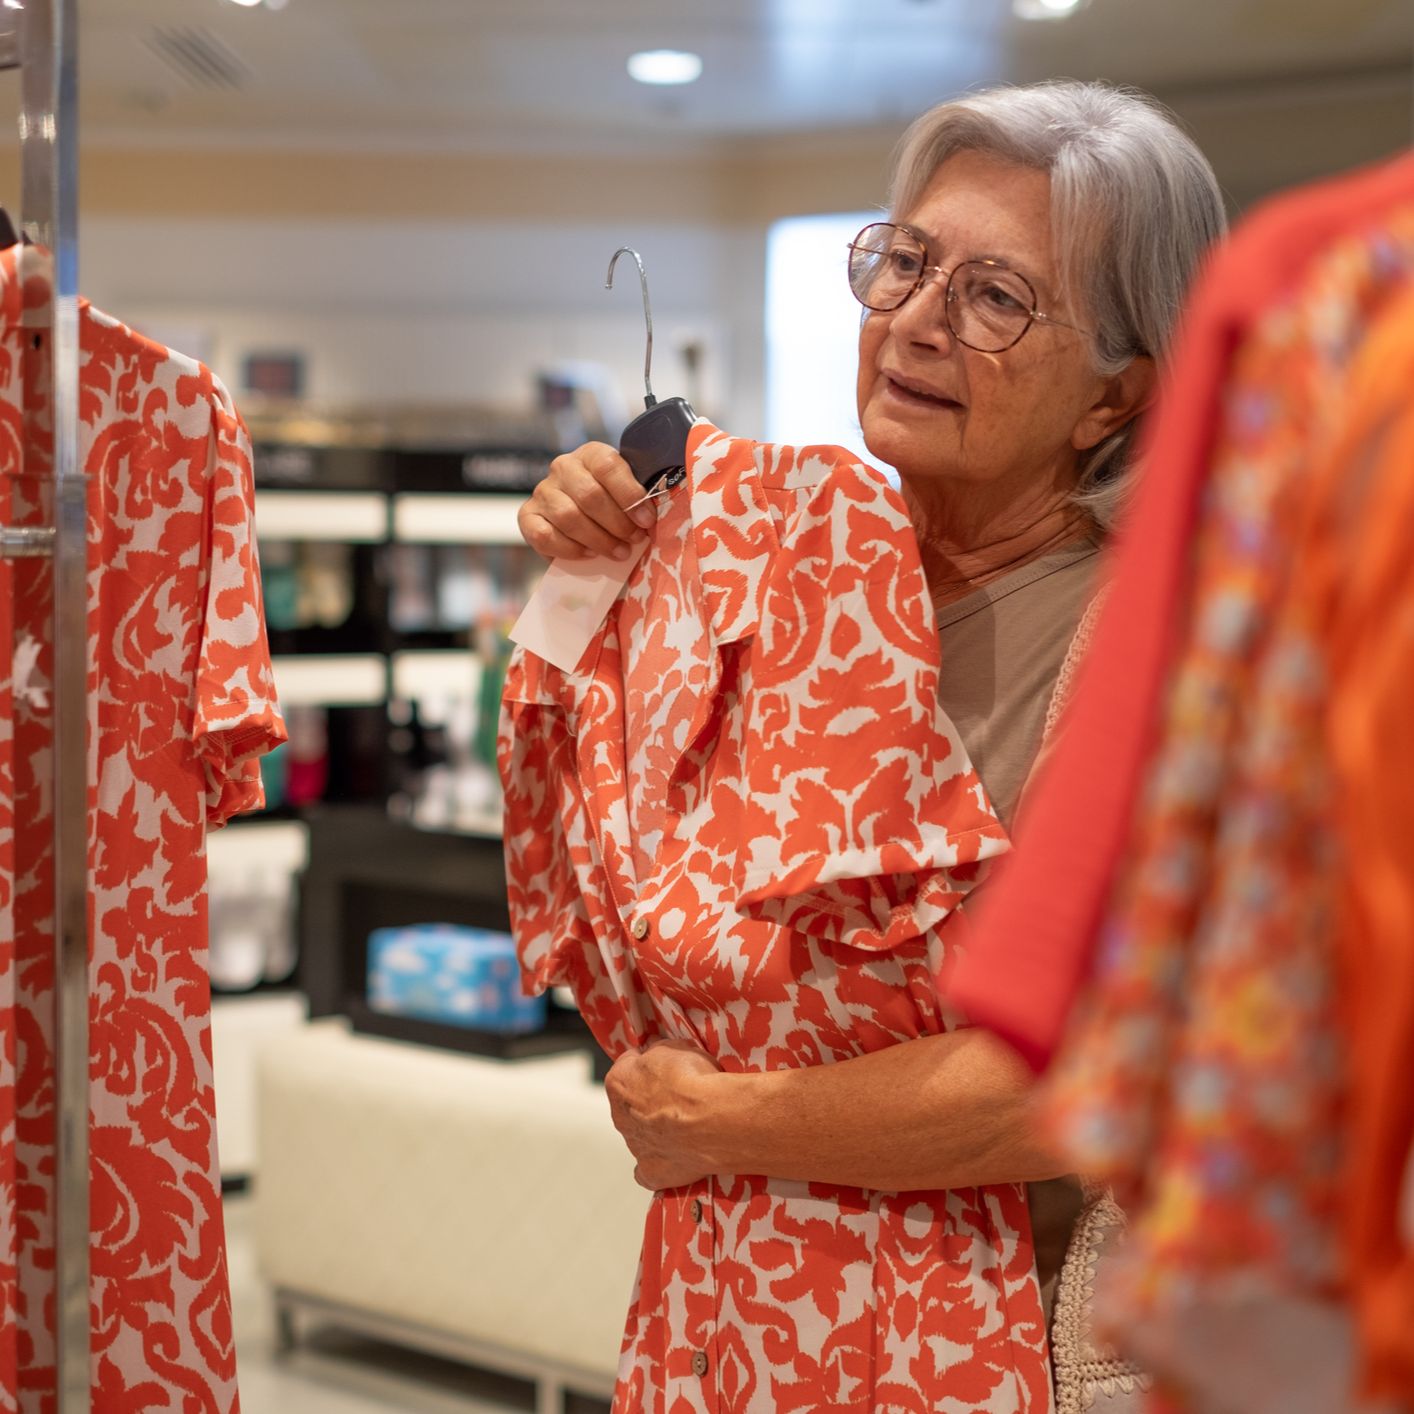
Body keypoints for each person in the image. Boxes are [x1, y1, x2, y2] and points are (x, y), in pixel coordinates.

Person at [512, 80, 1226, 1411]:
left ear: (1112, 397)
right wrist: (584, 590)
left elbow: (1069, 1082)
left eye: (996, 296)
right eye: (903, 262)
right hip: (750, 1313)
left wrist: (718, 1121)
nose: (913, 320)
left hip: (1021, 1350)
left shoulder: (1166, 644)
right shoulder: (796, 578)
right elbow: (640, 898)